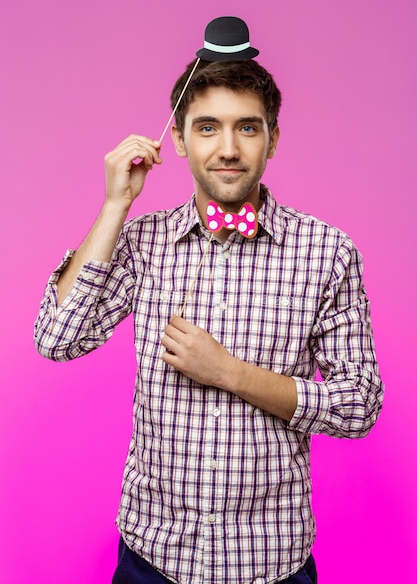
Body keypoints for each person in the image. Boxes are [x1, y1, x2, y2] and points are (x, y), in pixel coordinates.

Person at [34, 55, 384, 584]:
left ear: (273, 138)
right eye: (207, 128)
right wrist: (114, 207)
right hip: (152, 560)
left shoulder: (327, 252)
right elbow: (56, 338)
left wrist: (229, 372)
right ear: (177, 140)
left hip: (272, 564)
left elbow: (359, 404)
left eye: (247, 127)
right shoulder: (142, 242)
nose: (227, 149)